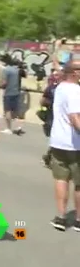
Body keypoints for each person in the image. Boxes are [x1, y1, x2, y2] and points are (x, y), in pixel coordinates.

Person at [47, 60, 80, 232]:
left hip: (58, 141)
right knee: (78, 183)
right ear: (74, 72)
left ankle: (60, 217)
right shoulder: (75, 91)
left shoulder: (60, 87)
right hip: (75, 143)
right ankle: (78, 220)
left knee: (61, 179)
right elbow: (75, 118)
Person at [0, 54, 23, 135]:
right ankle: (18, 126)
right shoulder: (16, 70)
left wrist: (0, 85)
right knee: (15, 111)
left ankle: (8, 128)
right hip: (16, 92)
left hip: (8, 92)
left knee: (7, 111)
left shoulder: (6, 70)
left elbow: (4, 83)